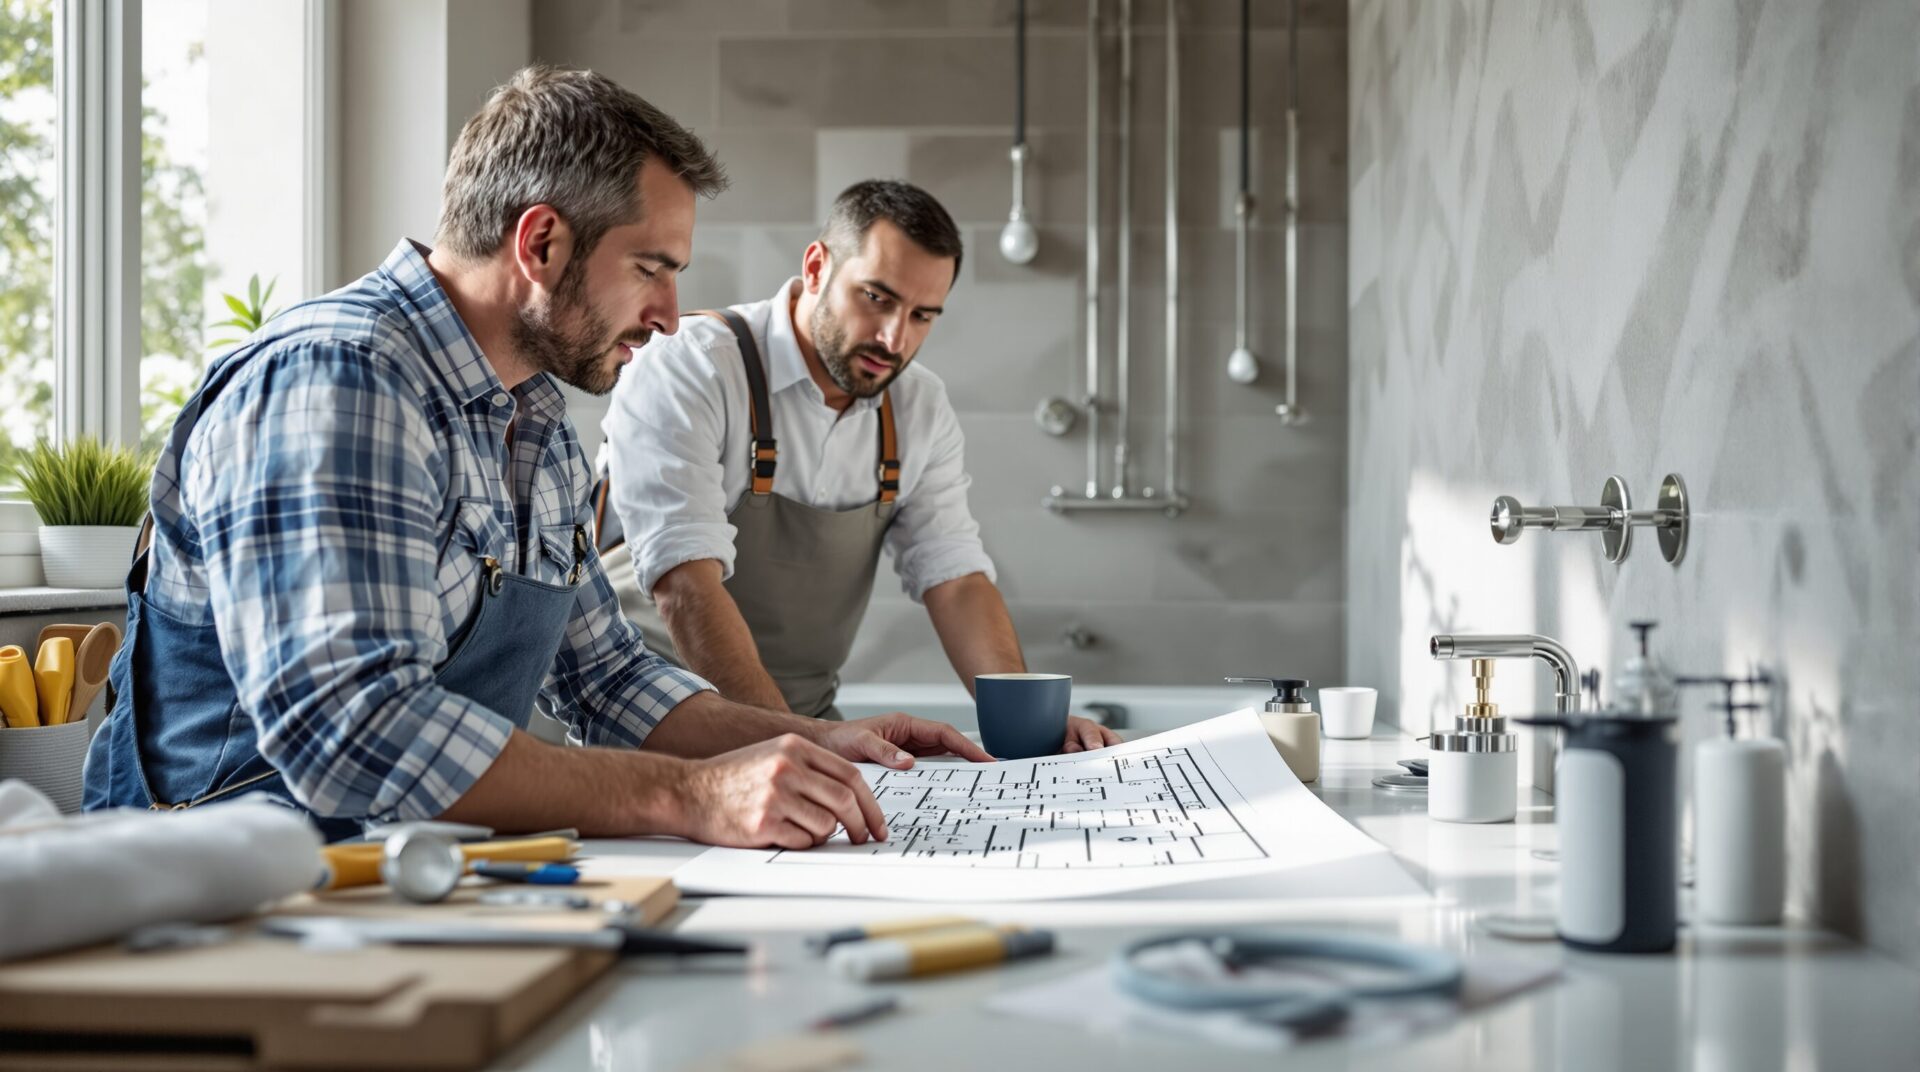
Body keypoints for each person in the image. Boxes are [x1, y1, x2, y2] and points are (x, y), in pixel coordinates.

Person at [82, 66, 989, 845]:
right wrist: (692, 795)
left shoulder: (536, 420)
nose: (672, 313)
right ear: (542, 242)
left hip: (395, 884)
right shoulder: (341, 380)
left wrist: (814, 746)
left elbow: (609, 676)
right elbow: (352, 730)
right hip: (210, 908)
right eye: (652, 268)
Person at [595, 180, 1120, 752]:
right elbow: (685, 587)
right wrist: (797, 746)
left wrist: (1030, 723)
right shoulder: (692, 365)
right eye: (877, 298)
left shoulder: (919, 406)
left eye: (923, 315)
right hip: (649, 728)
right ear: (817, 267)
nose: (896, 337)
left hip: (808, 725)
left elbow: (955, 577)